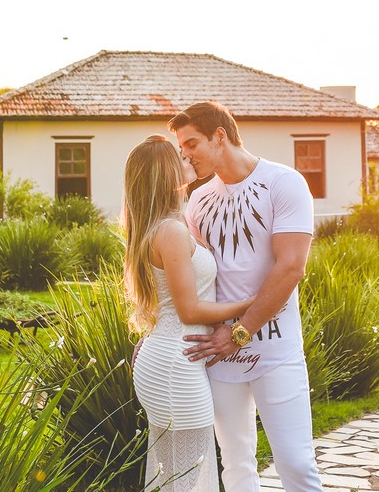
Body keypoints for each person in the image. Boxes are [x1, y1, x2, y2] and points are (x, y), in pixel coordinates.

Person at [170, 101, 324, 492]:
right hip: (219, 356)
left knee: (296, 464)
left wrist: (239, 332)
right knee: (236, 466)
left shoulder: (284, 183)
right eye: (181, 148)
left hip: (276, 351)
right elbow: (193, 277)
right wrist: (159, 331)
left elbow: (291, 267)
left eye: (191, 144)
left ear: (219, 136)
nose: (186, 156)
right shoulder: (198, 201)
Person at [122, 135, 253, 492]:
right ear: (166, 172)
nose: (188, 159)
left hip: (171, 357)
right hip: (175, 367)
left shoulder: (171, 223)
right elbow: (189, 309)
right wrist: (250, 305)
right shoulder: (170, 231)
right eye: (180, 157)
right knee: (186, 477)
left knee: (177, 477)